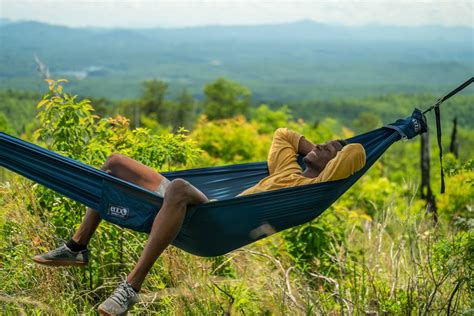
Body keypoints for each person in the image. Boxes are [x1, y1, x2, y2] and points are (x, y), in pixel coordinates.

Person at [32, 128, 365, 315]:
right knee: (116, 165)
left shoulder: (311, 188)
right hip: (209, 208)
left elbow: (356, 155)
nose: (319, 143)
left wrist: (342, 150)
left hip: (219, 219)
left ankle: (130, 288)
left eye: (327, 148)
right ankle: (78, 247)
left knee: (177, 187)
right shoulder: (288, 170)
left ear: (335, 166)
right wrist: (314, 151)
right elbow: (283, 135)